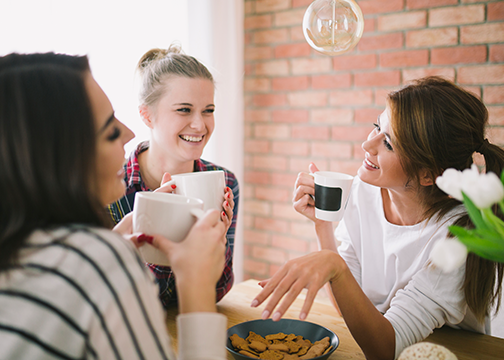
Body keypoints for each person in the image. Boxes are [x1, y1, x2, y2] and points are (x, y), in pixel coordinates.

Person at [251, 77, 504, 359]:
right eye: (376, 127)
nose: (367, 145)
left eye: (389, 144)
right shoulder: (362, 194)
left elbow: (385, 348)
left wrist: (334, 265)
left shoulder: (459, 238)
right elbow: (353, 307)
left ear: (428, 174)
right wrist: (323, 224)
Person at [0, 52, 227, 359]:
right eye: (108, 129)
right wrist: (195, 282)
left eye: (208, 109)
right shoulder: (99, 259)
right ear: (59, 157)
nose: (129, 133)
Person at [108, 45, 239, 308]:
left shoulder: (224, 181)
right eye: (184, 110)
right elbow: (106, 297)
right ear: (147, 115)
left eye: (208, 110)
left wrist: (215, 249)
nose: (200, 125)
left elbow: (218, 291)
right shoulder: (109, 186)